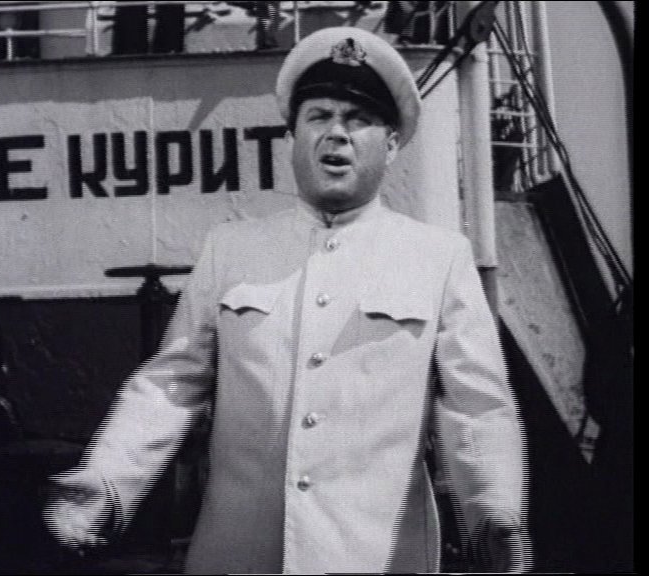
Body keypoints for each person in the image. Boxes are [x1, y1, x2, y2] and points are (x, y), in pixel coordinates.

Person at [43, 26, 529, 574]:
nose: (336, 134)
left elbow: (476, 404)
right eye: (318, 116)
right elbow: (170, 384)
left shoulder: (438, 258)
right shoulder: (231, 249)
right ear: (293, 136)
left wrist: (494, 514)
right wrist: (107, 482)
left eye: (358, 119)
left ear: (391, 144)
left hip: (375, 559)